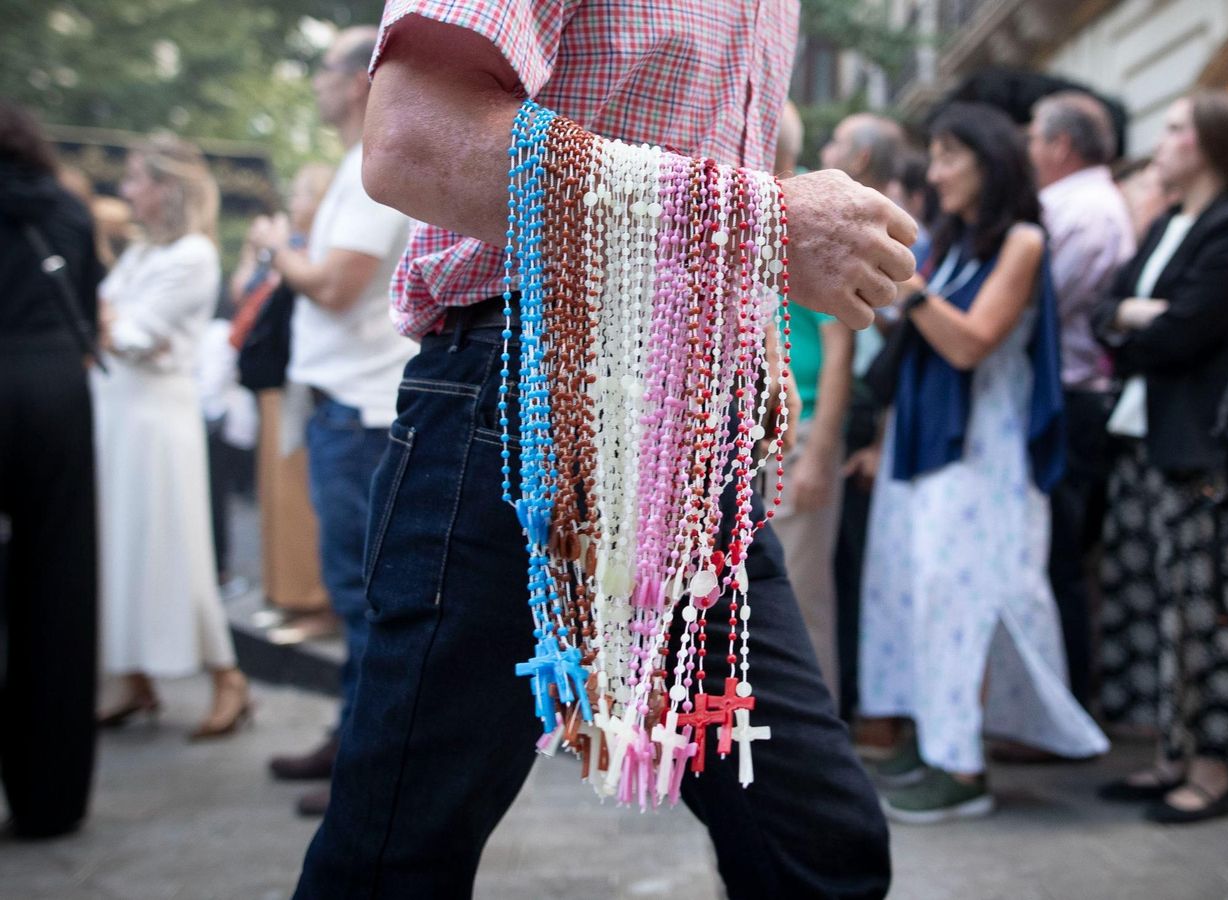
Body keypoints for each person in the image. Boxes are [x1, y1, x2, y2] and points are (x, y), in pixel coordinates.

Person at [293, 2, 917, 896]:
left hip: (700, 440)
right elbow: (416, 144)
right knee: (400, 851)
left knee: (820, 845)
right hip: (524, 407)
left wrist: (758, 346)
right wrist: (762, 220)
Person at [855, 101, 1109, 822]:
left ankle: (961, 763)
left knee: (958, 596)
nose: (934, 173)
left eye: (946, 156)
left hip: (984, 451)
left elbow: (970, 342)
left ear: (987, 160)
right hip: (927, 442)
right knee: (913, 588)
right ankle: (932, 736)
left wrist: (908, 285)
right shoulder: (956, 240)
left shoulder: (1023, 241)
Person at [1091, 90, 1228, 824]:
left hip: (1197, 445)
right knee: (1154, 605)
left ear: (1206, 143)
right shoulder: (1169, 221)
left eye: (1174, 129)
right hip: (1144, 438)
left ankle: (1211, 768)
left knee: (1207, 608)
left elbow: (1185, 333)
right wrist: (1137, 318)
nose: (1162, 141)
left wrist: (1138, 320)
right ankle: (1170, 755)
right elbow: (1107, 311)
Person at [253, 26, 417, 817]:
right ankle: (348, 736)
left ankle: (362, 763)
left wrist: (279, 248)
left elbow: (336, 286)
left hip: (360, 416)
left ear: (357, 80)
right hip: (344, 412)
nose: (315, 83)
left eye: (323, 68)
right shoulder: (356, 171)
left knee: (360, 595)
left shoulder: (367, 171)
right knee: (352, 590)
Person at [94, 135, 253, 741]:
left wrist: (110, 323)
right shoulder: (139, 256)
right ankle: (134, 676)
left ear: (167, 188)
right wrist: (114, 325)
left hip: (158, 424)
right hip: (119, 414)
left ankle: (226, 676)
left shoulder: (191, 254)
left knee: (174, 549)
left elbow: (129, 333)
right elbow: (116, 327)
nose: (126, 190)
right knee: (124, 546)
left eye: (136, 178)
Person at [0, 101, 102, 839]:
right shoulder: (65, 207)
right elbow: (90, 304)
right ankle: (51, 799)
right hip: (59, 390)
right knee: (59, 588)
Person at [1026, 90, 1136, 713]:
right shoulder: (1083, 202)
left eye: (1036, 139)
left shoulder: (1087, 208)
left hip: (1073, 398)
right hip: (1070, 395)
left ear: (1061, 145)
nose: (1030, 151)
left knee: (1062, 557)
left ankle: (1066, 704)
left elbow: (1043, 308)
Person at [817, 111, 912, 728]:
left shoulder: (868, 223)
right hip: (861, 417)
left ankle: (853, 709)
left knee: (845, 569)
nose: (827, 149)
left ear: (861, 161)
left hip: (863, 415)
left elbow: (857, 338)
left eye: (838, 142)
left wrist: (860, 437)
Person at [766, 101, 853, 705]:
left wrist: (820, 451)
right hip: (751, 437)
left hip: (800, 438)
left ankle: (808, 725)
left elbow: (839, 339)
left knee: (798, 594)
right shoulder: (749, 207)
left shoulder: (811, 215)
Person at [227, 164, 335, 636]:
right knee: (277, 487)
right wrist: (260, 253)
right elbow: (245, 296)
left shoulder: (317, 251)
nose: (294, 203)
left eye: (303, 193)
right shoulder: (292, 248)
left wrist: (274, 250)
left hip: (306, 384)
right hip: (279, 380)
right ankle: (286, 592)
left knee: (299, 491)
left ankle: (313, 600)